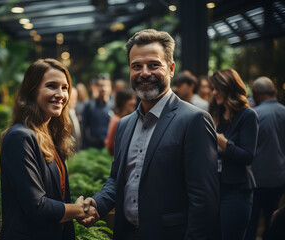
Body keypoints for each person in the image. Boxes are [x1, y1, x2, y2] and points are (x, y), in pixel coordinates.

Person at [81, 29, 219, 239]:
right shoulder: (124, 125)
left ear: (171, 69)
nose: (144, 73)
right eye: (137, 66)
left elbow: (204, 202)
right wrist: (97, 203)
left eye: (154, 65)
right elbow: (117, 179)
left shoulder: (194, 120)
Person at [0, 59, 99, 240]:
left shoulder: (50, 135)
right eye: (51, 86)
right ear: (32, 90)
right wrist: (79, 210)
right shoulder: (20, 137)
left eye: (64, 88)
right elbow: (37, 206)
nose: (60, 94)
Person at [209, 69, 259, 240]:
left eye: (217, 89)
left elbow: (247, 156)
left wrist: (223, 142)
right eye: (212, 88)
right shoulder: (216, 113)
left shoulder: (248, 115)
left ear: (229, 88)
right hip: (215, 188)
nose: (214, 93)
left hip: (237, 190)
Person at [245, 76, 285, 240]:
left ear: (255, 93)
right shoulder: (283, 111)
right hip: (280, 178)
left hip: (257, 179)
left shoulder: (254, 115)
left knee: (251, 221)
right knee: (272, 219)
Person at [82, 74, 113, 149]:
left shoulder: (115, 106)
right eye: (100, 85)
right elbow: (84, 127)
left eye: (106, 85)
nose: (103, 89)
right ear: (96, 87)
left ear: (110, 87)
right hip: (92, 148)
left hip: (110, 149)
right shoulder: (89, 106)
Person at [104, 89, 136, 155]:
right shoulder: (116, 120)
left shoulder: (129, 119)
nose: (134, 102)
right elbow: (110, 144)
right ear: (123, 102)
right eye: (131, 99)